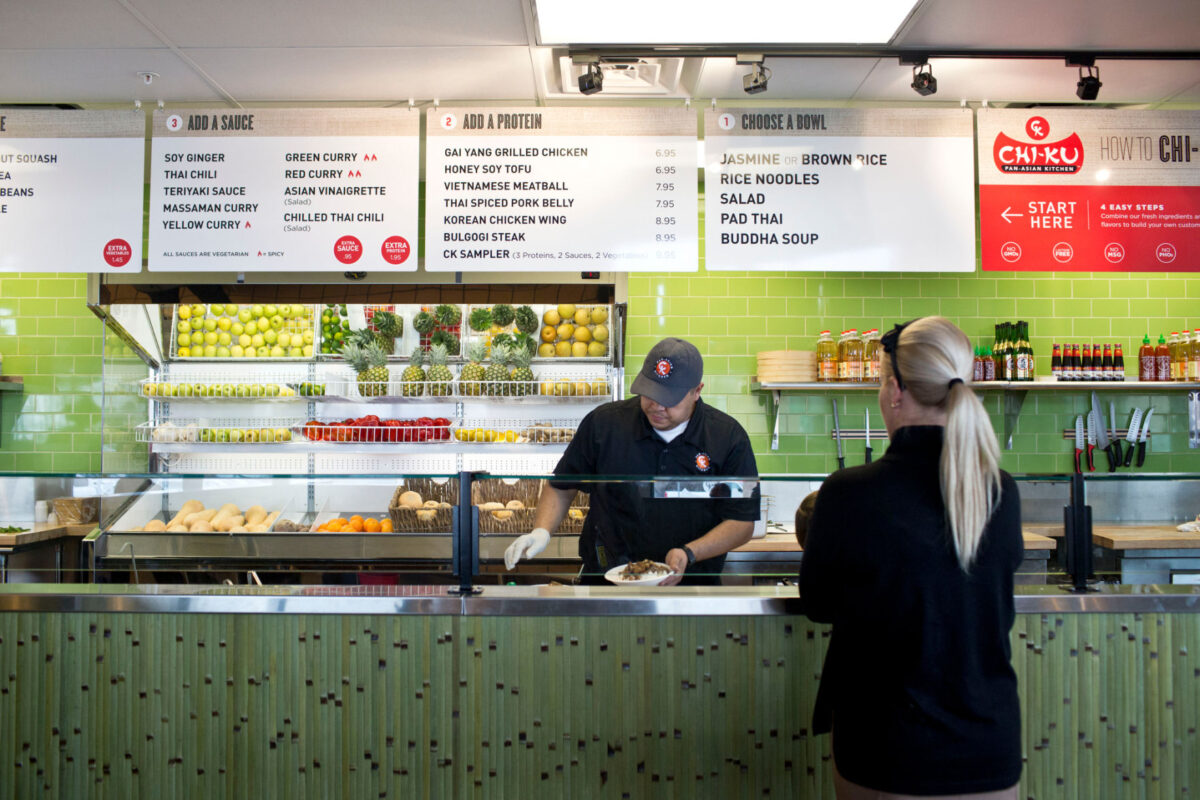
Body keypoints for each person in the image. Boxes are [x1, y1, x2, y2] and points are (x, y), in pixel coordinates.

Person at [799, 317, 1023, 799]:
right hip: (989, 748)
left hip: (886, 750)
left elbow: (818, 603)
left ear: (896, 391)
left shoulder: (848, 493)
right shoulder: (1000, 492)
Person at [504, 337, 760, 585]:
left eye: (669, 399)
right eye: (649, 393)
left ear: (697, 391)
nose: (656, 406)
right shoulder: (604, 424)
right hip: (606, 582)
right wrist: (541, 531)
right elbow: (562, 486)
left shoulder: (727, 437)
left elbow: (742, 522)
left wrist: (689, 553)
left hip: (691, 587)